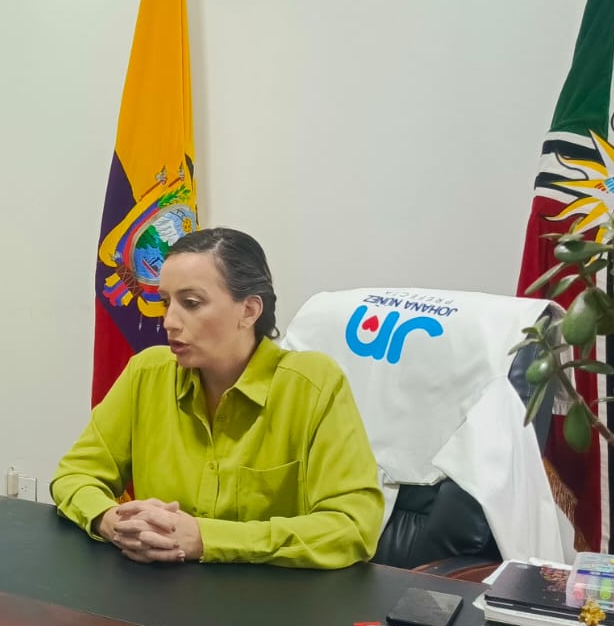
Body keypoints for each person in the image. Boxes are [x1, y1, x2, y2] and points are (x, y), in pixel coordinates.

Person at [52, 228, 382, 569]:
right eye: (166, 302)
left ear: (249, 310)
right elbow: (75, 474)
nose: (169, 321)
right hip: (159, 587)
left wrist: (205, 538)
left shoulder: (312, 385)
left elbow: (354, 526)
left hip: (272, 593)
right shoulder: (147, 372)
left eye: (191, 303)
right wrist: (113, 522)